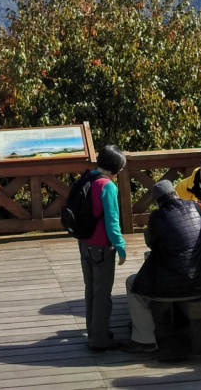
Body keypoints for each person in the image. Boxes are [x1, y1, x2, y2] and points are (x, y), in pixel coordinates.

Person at [121, 180, 201, 354]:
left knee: (134, 284)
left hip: (179, 286)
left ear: (157, 202)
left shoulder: (157, 217)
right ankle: (149, 325)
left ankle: (144, 339)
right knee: (162, 280)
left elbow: (151, 243)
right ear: (176, 194)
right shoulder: (195, 207)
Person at [79, 145, 128, 352]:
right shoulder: (108, 186)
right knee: (102, 295)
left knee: (91, 290)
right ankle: (100, 341)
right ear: (116, 170)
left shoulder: (86, 178)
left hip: (84, 244)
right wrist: (121, 247)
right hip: (101, 248)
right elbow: (112, 222)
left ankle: (94, 331)